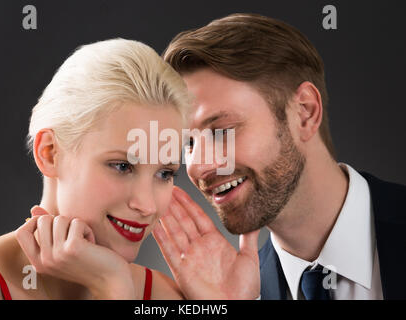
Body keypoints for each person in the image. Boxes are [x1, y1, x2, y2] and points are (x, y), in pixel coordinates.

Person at [152, 13, 406, 300]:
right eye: (187, 143)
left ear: (304, 112)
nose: (198, 165)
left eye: (222, 131)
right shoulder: (237, 293)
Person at [0, 38, 190, 300]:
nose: (147, 206)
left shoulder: (163, 296)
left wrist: (113, 286)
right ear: (50, 153)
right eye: (122, 166)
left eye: (165, 173)